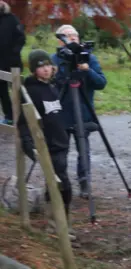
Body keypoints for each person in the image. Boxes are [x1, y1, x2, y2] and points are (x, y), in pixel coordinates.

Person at [17, 49, 76, 240]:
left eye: (48, 65)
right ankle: (56, 228)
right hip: (48, 146)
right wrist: (28, 143)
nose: (45, 69)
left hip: (61, 144)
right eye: (41, 66)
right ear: (34, 69)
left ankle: (61, 226)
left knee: (60, 186)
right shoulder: (31, 91)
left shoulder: (51, 88)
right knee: (60, 185)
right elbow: (24, 121)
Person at [52, 24, 107, 199]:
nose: (72, 39)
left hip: (82, 112)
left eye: (74, 35)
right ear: (60, 41)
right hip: (62, 112)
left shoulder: (89, 58)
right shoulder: (55, 59)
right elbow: (52, 84)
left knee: (84, 150)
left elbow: (101, 83)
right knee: (60, 149)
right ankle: (60, 183)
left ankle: (84, 182)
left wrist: (86, 70)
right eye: (67, 36)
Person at [0, 0, 26, 125]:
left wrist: (14, 52)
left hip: (12, 61)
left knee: (17, 89)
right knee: (2, 90)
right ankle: (9, 116)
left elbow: (21, 37)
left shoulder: (12, 19)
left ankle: (23, 117)